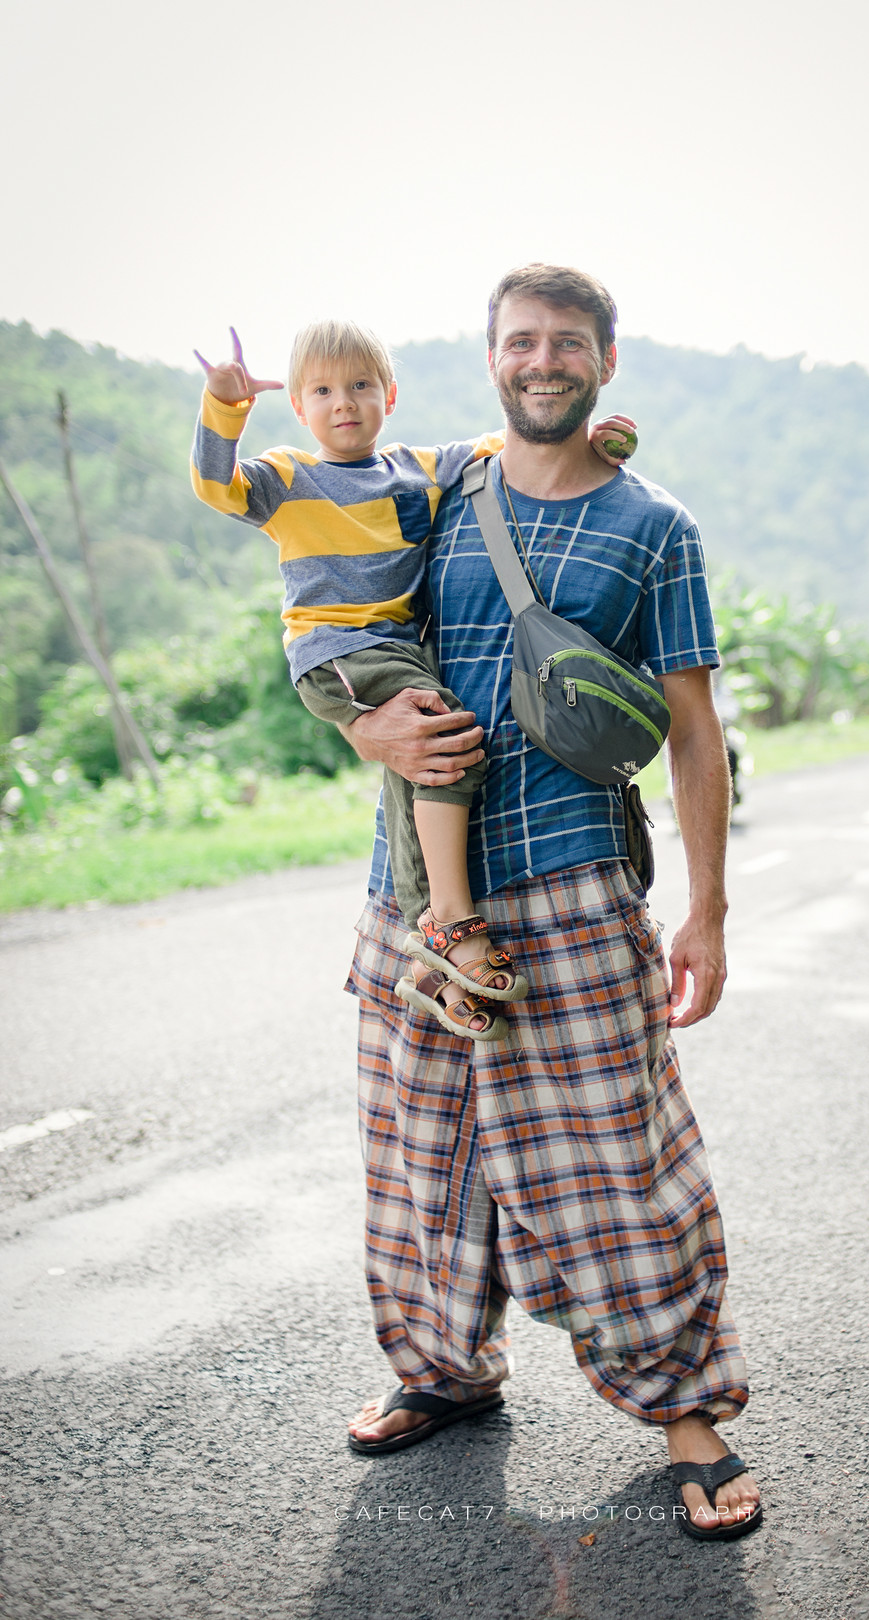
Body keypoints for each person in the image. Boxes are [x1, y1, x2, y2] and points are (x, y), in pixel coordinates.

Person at [341, 265, 762, 1541]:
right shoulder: (428, 499)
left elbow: (694, 732)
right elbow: (336, 623)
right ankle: (442, 1371)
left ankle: (689, 1414)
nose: (542, 360)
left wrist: (708, 911)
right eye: (520, 341)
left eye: (565, 342)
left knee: (620, 1158)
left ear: (604, 362)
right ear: (492, 359)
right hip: (419, 891)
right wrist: (369, 731)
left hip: (578, 881)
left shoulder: (655, 527)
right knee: (422, 1155)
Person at [189, 320, 633, 1040]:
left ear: (388, 396)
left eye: (361, 386)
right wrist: (223, 405)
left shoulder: (418, 469)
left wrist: (593, 442)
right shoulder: (287, 475)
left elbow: (514, 448)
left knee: (415, 765)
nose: (344, 404)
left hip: (399, 653)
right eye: (324, 391)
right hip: (338, 650)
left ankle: (432, 963)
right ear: (300, 407)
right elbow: (216, 486)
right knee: (449, 740)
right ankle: (452, 920)